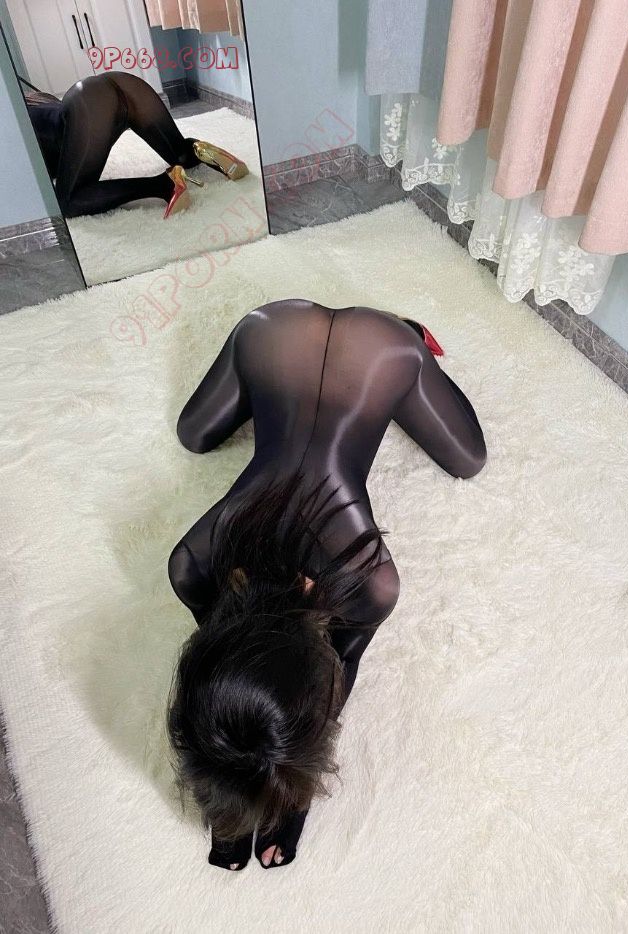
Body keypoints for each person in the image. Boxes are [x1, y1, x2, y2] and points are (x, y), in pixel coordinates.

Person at [166, 299, 487, 871]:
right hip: (274, 328)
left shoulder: (368, 585)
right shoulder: (193, 564)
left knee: (470, 461)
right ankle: (254, 790)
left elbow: (337, 672)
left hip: (331, 338)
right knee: (192, 435)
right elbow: (326, 671)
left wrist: (288, 795)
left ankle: (412, 339)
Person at [22, 72, 248, 219]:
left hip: (91, 104)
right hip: (121, 84)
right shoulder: (32, 103)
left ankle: (164, 184)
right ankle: (199, 148)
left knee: (68, 202)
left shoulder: (17, 138)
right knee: (180, 154)